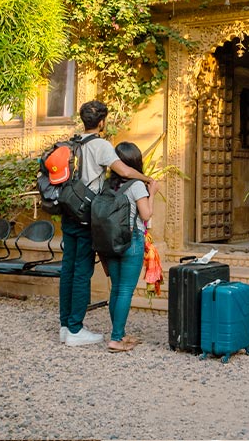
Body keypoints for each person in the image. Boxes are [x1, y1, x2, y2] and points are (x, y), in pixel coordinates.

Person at [58, 100, 155, 346]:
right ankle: (76, 330)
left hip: (68, 211)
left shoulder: (73, 142)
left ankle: (65, 326)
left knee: (67, 270)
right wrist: (147, 179)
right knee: (81, 272)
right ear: (101, 122)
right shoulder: (99, 144)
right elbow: (123, 171)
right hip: (84, 216)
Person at [101, 141, 154, 352]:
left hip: (109, 241)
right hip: (131, 241)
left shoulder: (106, 185)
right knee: (125, 291)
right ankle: (115, 339)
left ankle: (120, 334)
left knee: (116, 288)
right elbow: (146, 215)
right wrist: (154, 194)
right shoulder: (137, 185)